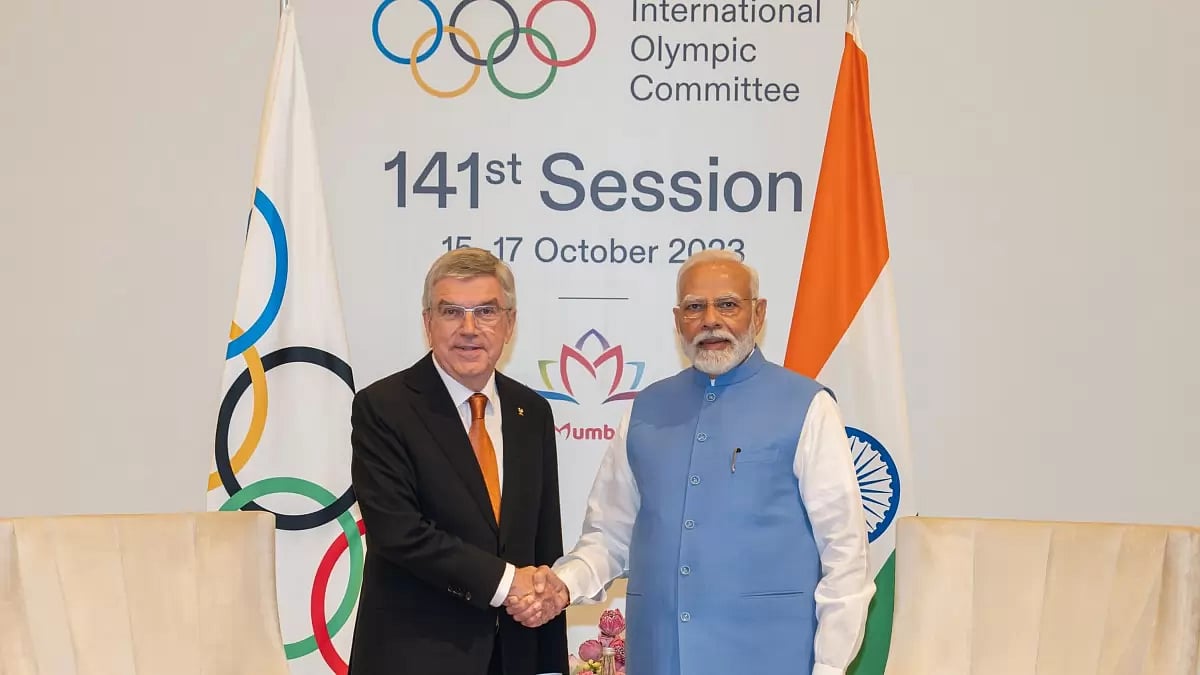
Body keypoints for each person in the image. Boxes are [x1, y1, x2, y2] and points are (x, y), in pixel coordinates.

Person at [509, 249, 874, 675]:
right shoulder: (646, 408)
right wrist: (564, 584)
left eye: (728, 305)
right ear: (678, 318)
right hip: (660, 659)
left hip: (771, 658)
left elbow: (845, 553)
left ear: (758, 314)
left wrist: (829, 668)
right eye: (695, 307)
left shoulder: (808, 405)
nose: (710, 320)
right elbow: (609, 535)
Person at [347, 248, 569, 675]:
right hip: (415, 658)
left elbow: (544, 542)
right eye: (452, 312)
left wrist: (549, 661)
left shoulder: (532, 411)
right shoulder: (383, 407)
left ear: (510, 322)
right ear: (428, 323)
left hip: (514, 657)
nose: (470, 329)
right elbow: (400, 533)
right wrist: (507, 583)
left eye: (486, 311)